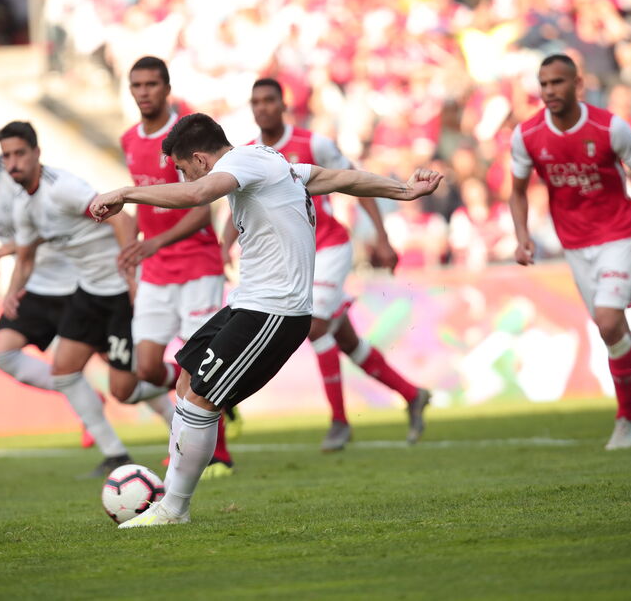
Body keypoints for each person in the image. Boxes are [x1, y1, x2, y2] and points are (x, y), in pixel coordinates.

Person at [89, 113, 443, 527]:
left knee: (202, 399)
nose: (185, 179)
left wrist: (125, 194)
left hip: (275, 311)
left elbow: (198, 195)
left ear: (202, 160)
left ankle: (174, 509)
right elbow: (340, 178)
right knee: (186, 381)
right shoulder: (274, 162)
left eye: (184, 170)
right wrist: (402, 190)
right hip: (247, 303)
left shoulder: (240, 165)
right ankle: (170, 496)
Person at [234, 78, 431, 451]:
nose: (263, 107)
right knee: (344, 339)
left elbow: (355, 182)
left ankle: (339, 422)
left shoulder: (313, 143)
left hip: (328, 246)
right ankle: (411, 394)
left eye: (269, 100)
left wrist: (383, 237)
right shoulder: (247, 154)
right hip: (292, 257)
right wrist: (226, 244)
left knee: (315, 325)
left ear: (283, 104)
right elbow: (241, 210)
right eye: (256, 101)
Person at [509, 54, 631, 451]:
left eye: (558, 82)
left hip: (619, 234)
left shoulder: (610, 128)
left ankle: (626, 421)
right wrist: (521, 234)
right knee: (614, 333)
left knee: (608, 322)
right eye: (544, 83)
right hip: (575, 244)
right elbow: (518, 191)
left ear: (578, 84)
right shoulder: (527, 135)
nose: (550, 90)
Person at [0, 120, 172, 476]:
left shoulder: (63, 189)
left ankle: (185, 389)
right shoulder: (23, 205)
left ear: (36, 154)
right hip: (89, 294)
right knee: (64, 372)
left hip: (119, 294)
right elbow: (27, 257)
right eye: (6, 156)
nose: (13, 162)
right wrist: (12, 293)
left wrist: (130, 276)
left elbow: (120, 220)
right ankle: (116, 454)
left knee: (124, 388)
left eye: (19, 153)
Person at [119, 56, 235, 478]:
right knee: (148, 368)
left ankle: (217, 455)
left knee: (199, 362)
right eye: (137, 84)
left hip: (197, 265)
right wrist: (132, 244)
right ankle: (215, 404)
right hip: (156, 270)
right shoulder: (128, 139)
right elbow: (142, 205)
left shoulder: (186, 137)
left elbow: (202, 211)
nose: (144, 91)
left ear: (166, 89)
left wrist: (153, 244)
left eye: (152, 84)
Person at [0, 110, 96, 449]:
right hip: (33, 282)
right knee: (3, 353)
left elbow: (39, 228)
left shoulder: (16, 175)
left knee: (126, 368)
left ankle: (187, 401)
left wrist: (0, 254)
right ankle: (88, 403)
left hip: (68, 276)